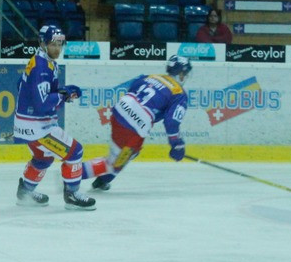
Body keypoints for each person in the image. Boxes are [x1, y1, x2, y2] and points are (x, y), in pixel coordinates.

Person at [13, 24, 95, 211]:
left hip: (28, 123)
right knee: (75, 152)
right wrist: (63, 95)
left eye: (60, 44)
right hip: (39, 127)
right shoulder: (41, 66)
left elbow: (21, 85)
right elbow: (42, 103)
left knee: (43, 158)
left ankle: (25, 192)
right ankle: (72, 195)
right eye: (53, 44)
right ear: (42, 43)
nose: (57, 49)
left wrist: (62, 92)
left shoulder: (42, 61)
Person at [80, 55, 192, 191]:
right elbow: (171, 123)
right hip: (135, 125)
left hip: (119, 111)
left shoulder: (151, 76)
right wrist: (177, 145)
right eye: (185, 73)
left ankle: (102, 181)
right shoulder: (179, 93)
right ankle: (72, 174)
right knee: (113, 163)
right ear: (181, 73)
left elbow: (133, 89)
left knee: (129, 153)